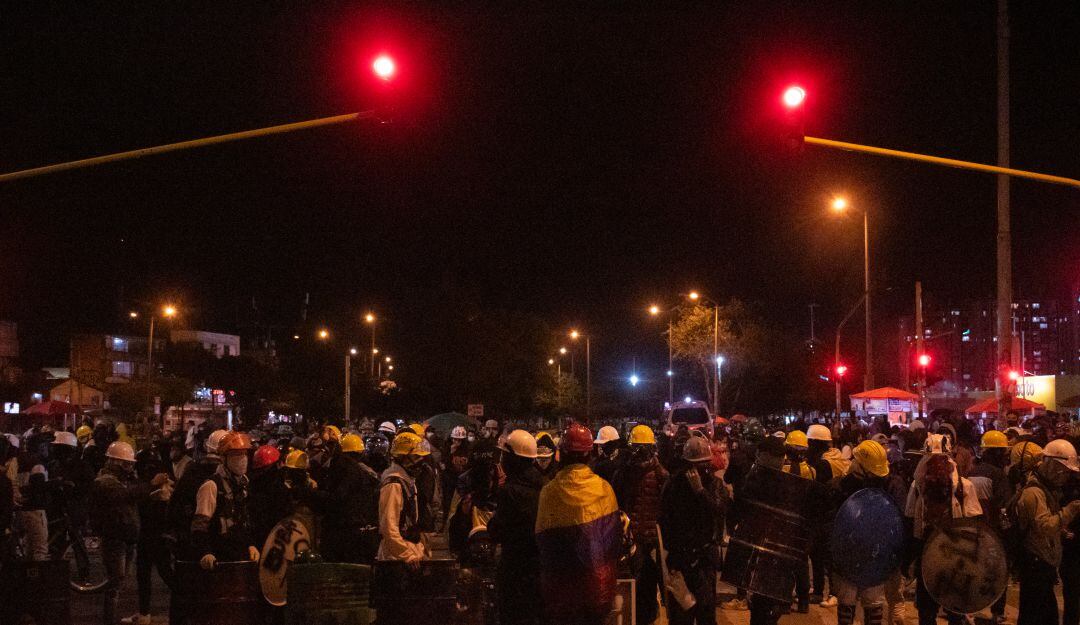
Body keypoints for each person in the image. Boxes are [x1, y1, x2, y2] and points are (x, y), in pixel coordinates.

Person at [535, 424, 624, 625]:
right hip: (599, 591)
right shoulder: (604, 488)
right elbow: (613, 542)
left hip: (562, 596)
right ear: (589, 453)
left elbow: (543, 545)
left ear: (562, 454)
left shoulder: (549, 492)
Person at [89, 441, 160, 625]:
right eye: (126, 463)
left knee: (118, 583)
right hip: (115, 539)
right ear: (114, 462)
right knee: (114, 584)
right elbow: (125, 495)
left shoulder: (123, 481)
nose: (129, 467)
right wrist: (152, 484)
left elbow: (132, 496)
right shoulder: (104, 481)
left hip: (127, 538)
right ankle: (109, 619)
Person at [1015, 438, 1080, 625]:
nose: (1065, 477)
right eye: (1064, 472)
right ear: (1052, 466)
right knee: (1040, 616)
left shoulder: (1045, 489)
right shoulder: (1034, 492)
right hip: (1035, 566)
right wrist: (1069, 511)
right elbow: (1045, 527)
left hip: (1042, 566)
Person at [487, 430, 544, 625]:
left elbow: (496, 531)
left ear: (514, 459)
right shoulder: (544, 486)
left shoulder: (509, 492)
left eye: (505, 455)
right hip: (539, 568)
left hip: (513, 569)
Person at [613, 425, 668, 625]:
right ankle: (647, 615)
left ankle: (640, 616)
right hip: (647, 538)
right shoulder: (659, 472)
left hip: (636, 538)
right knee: (646, 583)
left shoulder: (626, 472)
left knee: (636, 582)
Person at [833, 440, 891, 625]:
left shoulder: (839, 487)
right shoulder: (839, 489)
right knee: (855, 603)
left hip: (871, 555)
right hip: (852, 555)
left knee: (865, 604)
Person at [734, 436, 788, 625]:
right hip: (778, 554)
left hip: (761, 552)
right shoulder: (788, 484)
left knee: (759, 609)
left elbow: (741, 510)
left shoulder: (755, 481)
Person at [307, 426, 379, 563]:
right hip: (358, 532)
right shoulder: (362, 471)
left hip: (344, 534)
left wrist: (311, 494)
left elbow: (337, 499)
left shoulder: (346, 470)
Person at [190, 431, 259, 569]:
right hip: (218, 561)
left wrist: (250, 544)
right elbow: (199, 525)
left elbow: (244, 520)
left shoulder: (243, 485)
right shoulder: (211, 486)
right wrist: (206, 553)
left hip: (240, 557)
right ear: (223, 458)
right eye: (235, 455)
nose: (242, 459)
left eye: (244, 454)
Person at [123, 448, 175, 625]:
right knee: (149, 573)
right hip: (151, 534)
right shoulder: (156, 482)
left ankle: (187, 605)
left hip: (153, 534)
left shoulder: (156, 484)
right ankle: (144, 613)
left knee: (162, 573)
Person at [968, 430, 1013, 624]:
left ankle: (968, 608)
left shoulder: (971, 472)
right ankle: (997, 611)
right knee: (998, 572)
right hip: (993, 531)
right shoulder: (998, 475)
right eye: (1003, 452)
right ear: (996, 453)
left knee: (973, 570)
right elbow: (1004, 506)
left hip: (972, 530)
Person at [376, 431, 429, 564]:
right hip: (396, 558)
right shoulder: (394, 484)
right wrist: (407, 555)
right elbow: (389, 526)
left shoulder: (405, 480)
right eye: (416, 456)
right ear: (402, 457)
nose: (419, 461)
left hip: (406, 552)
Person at [783, 430, 813, 614]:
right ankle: (803, 602)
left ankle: (785, 599)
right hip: (803, 521)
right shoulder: (810, 471)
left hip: (786, 520)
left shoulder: (782, 468)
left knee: (786, 562)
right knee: (801, 562)